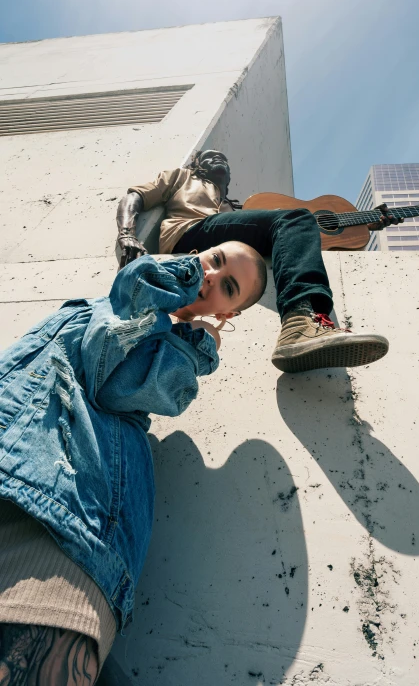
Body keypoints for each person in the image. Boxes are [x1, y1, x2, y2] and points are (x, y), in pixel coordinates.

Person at [0, 242, 266, 684]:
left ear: (227, 314)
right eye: (214, 261)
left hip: (64, 504)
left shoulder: (180, 342)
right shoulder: (114, 297)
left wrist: (197, 334)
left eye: (228, 286)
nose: (210, 277)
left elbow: (117, 382)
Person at [117, 150, 401, 373]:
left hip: (225, 243)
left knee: (296, 221)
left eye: (224, 159)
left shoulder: (235, 207)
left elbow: (299, 234)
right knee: (295, 217)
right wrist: (127, 234)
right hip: (190, 233)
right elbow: (136, 195)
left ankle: (302, 324)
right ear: (197, 163)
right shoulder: (182, 177)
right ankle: (300, 318)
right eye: (211, 156)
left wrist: (367, 222)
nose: (220, 161)